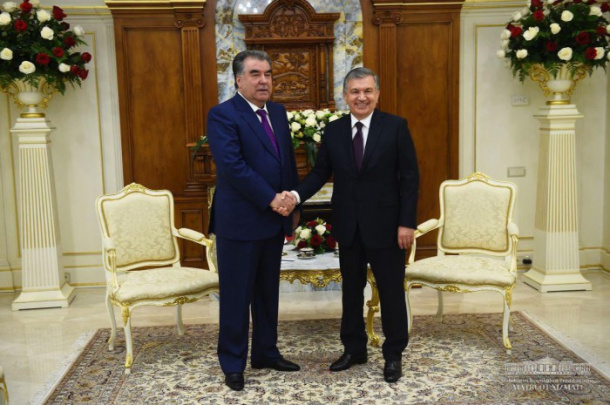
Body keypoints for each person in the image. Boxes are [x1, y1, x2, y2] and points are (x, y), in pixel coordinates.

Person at [280, 67, 419, 383]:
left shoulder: (396, 127)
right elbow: (320, 173)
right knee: (351, 292)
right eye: (355, 91)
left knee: (391, 293)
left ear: (377, 94)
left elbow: (410, 179)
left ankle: (393, 354)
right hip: (349, 227)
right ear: (345, 96)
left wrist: (406, 223)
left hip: (388, 228)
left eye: (368, 91)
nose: (362, 97)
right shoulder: (334, 130)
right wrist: (295, 196)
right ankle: (354, 349)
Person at [206, 49, 301, 392]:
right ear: (238, 79)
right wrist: (271, 198)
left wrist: (292, 202)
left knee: (266, 294)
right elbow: (233, 167)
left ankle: (265, 353)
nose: (264, 81)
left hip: (273, 221)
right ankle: (233, 364)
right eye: (255, 74)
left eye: (268, 74)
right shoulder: (222, 115)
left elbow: (286, 161)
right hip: (240, 224)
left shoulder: (277, 112)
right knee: (236, 297)